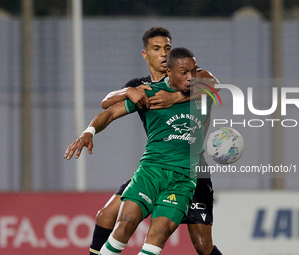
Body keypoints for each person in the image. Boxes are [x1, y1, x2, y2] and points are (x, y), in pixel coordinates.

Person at [65, 47, 211, 255]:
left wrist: (175, 98)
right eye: (184, 73)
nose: (191, 78)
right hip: (151, 172)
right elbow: (110, 112)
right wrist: (90, 131)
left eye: (193, 71)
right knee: (125, 224)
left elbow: (215, 86)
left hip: (183, 178)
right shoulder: (150, 94)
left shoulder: (203, 91)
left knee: (158, 235)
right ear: (169, 72)